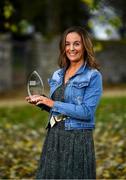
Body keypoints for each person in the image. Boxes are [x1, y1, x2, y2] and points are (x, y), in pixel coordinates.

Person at [26, 26, 103, 179]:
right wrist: (42, 102)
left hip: (77, 139)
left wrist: (51, 102)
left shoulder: (93, 76)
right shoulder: (58, 74)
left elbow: (86, 112)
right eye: (67, 44)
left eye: (76, 44)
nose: (71, 48)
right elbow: (59, 107)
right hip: (54, 136)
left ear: (85, 46)